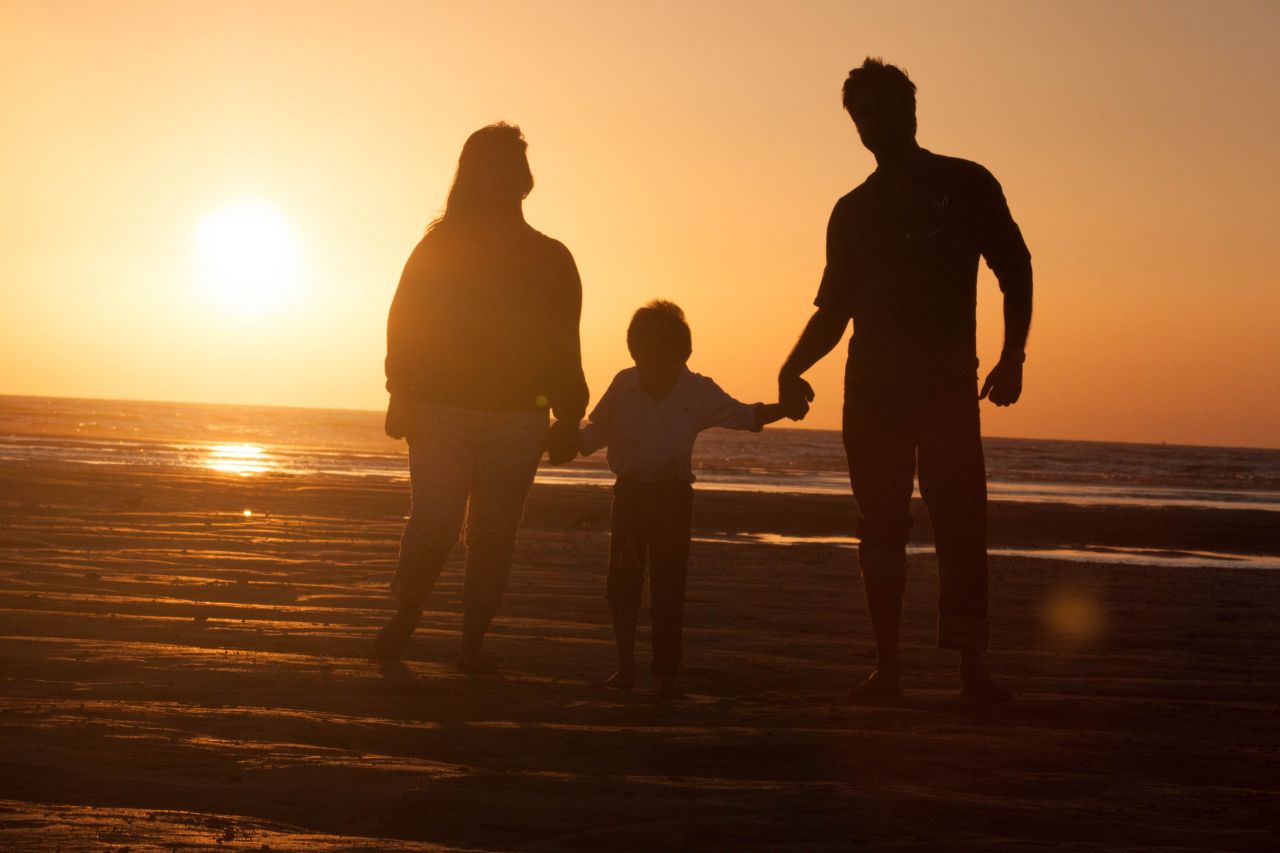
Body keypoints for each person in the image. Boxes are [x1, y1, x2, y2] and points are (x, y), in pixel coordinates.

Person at [777, 58, 1033, 701]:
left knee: (961, 522)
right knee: (881, 525)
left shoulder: (966, 183)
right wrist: (791, 366)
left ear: (911, 109)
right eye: (862, 113)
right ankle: (887, 669)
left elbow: (1015, 266)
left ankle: (973, 672)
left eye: (884, 107)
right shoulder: (853, 210)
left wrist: (1013, 357)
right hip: (873, 387)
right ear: (854, 125)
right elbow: (833, 311)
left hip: (948, 381)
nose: (874, 121)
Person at [375, 123, 589, 671]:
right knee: (435, 523)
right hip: (441, 410)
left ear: (525, 179)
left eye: (513, 163)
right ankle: (407, 612)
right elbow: (406, 322)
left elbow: (565, 340)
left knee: (494, 533)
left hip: (520, 416)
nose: (504, 174)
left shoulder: (551, 257)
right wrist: (401, 391)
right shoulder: (439, 245)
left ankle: (472, 642)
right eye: (492, 165)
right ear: (472, 175)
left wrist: (570, 412)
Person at [575, 301, 803, 695]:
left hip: (672, 499)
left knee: (669, 585)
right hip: (629, 497)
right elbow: (594, 434)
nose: (654, 364)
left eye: (663, 355)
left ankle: (665, 671)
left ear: (682, 355)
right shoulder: (623, 385)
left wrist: (787, 408)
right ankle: (625, 667)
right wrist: (553, 439)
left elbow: (747, 416)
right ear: (634, 350)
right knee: (624, 583)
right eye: (646, 353)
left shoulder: (697, 390)